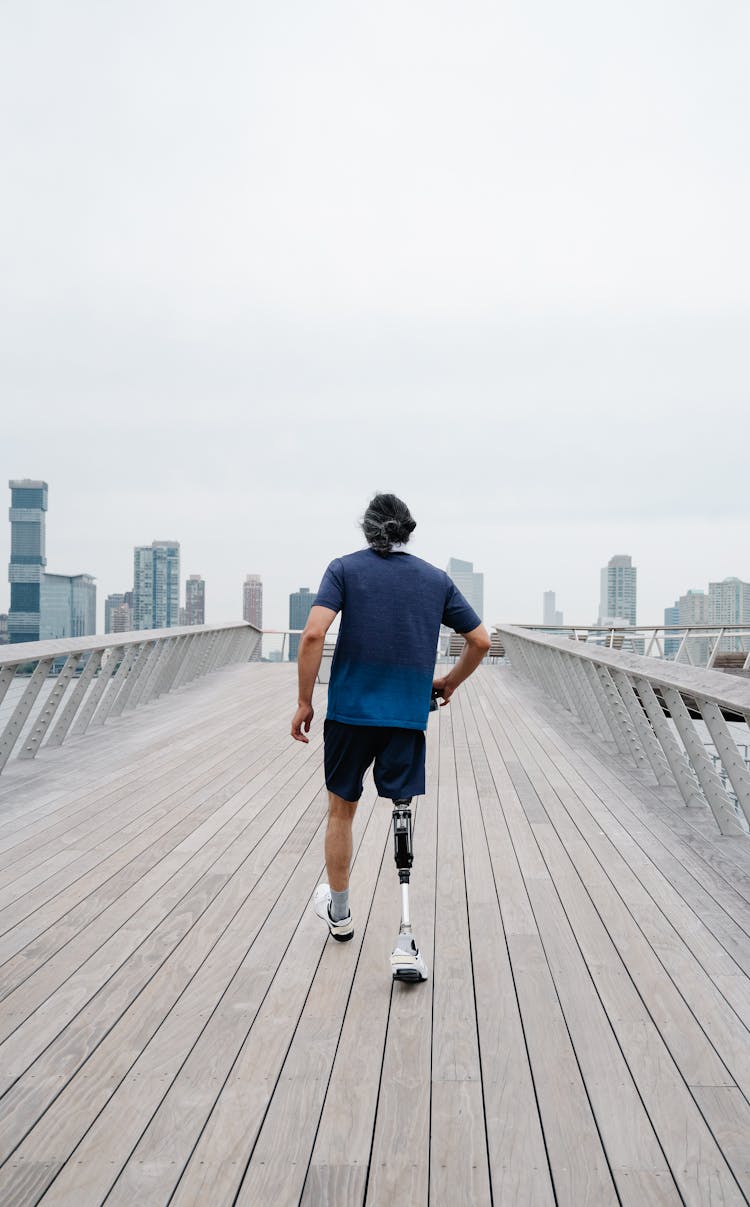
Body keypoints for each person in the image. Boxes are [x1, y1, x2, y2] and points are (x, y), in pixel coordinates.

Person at [290, 493, 491, 980]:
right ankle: (406, 936)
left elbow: (314, 634)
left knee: (341, 811)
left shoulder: (344, 570)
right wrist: (448, 683)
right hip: (405, 716)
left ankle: (339, 915)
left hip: (349, 716)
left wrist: (304, 701)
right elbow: (482, 640)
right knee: (401, 809)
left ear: (368, 529)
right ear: (408, 529)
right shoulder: (435, 580)